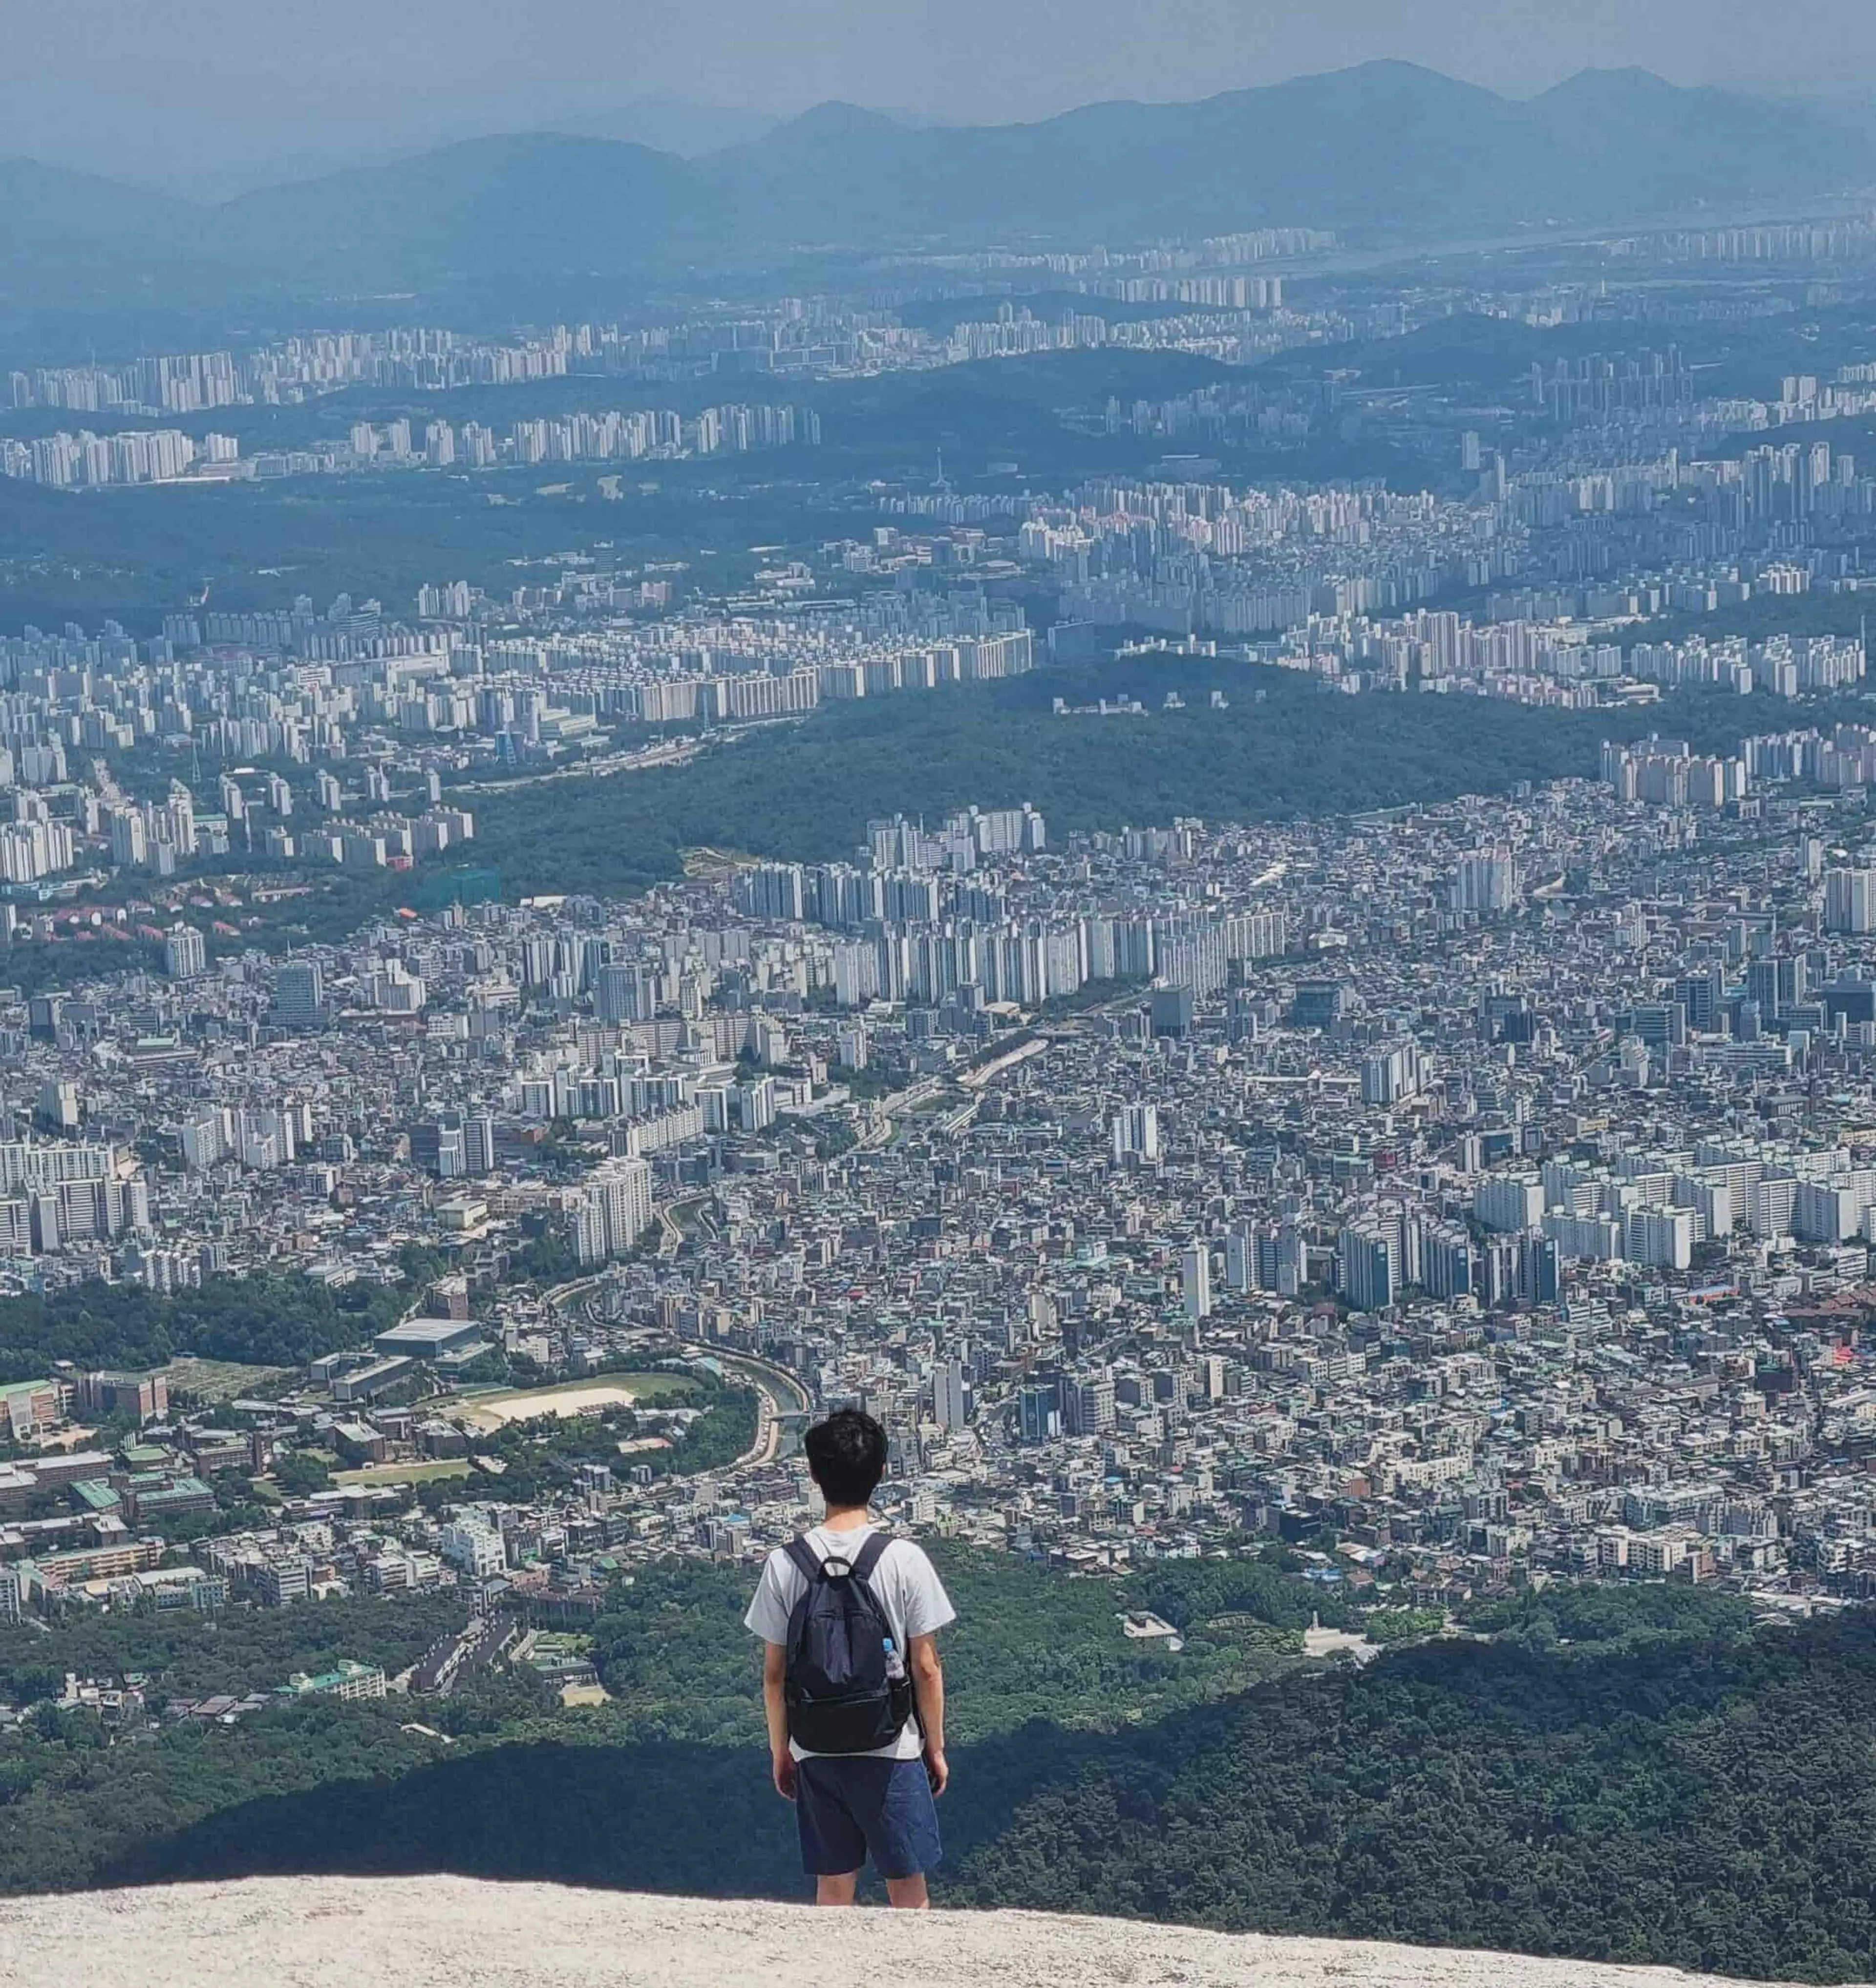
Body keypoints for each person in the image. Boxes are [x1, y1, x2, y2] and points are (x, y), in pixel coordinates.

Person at [745, 1407, 955, 1907]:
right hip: (892, 1750)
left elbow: (774, 1676)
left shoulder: (784, 1563)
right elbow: (926, 1666)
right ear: (882, 1472)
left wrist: (782, 1750)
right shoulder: (903, 1559)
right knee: (908, 1888)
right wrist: (937, 1747)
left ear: (814, 1474)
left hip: (816, 1748)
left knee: (834, 1888)